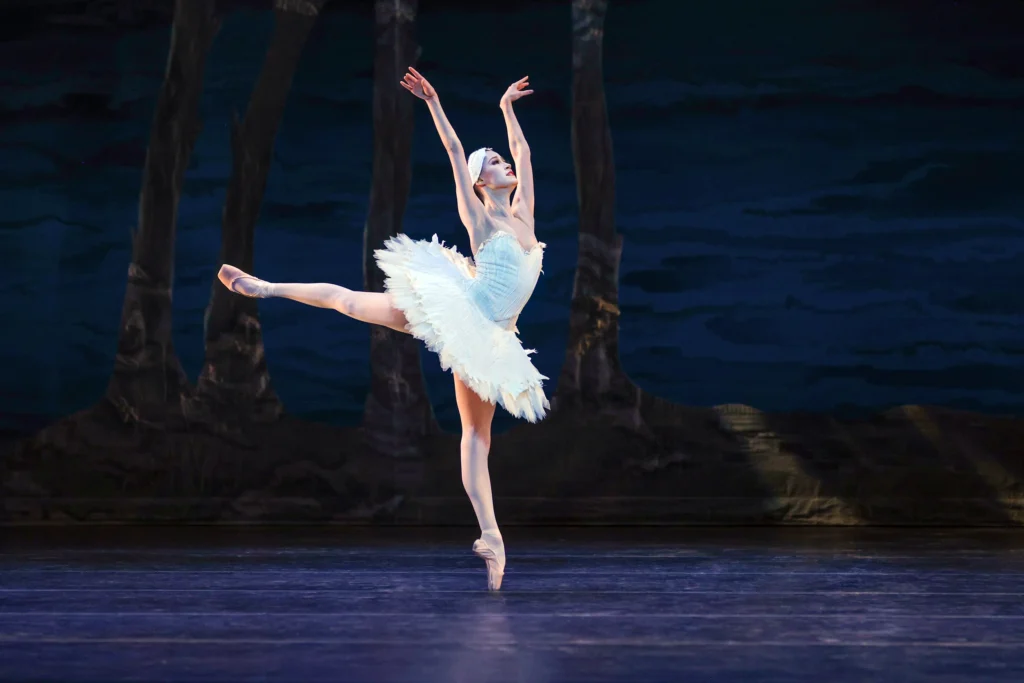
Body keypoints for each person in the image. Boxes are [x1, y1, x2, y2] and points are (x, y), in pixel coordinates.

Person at [217, 67, 546, 591]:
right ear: (483, 181)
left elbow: (525, 155)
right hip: (462, 312)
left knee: (477, 436)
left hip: (492, 336)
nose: (506, 164)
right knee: (352, 305)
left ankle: (492, 537)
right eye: (496, 164)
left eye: (503, 160)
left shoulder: (525, 215)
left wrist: (507, 108)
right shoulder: (480, 219)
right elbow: (455, 153)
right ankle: (266, 287)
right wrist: (435, 103)